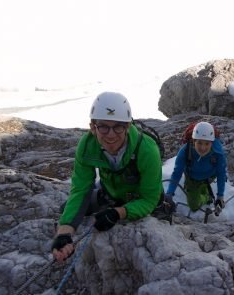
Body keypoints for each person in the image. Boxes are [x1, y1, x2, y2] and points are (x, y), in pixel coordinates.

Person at [51, 92, 162, 263]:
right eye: (103, 126)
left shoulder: (147, 149)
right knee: (67, 210)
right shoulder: (87, 146)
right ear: (92, 127)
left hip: (139, 198)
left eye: (118, 127)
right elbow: (80, 189)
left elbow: (149, 199)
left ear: (128, 126)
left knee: (159, 209)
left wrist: (119, 213)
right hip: (109, 195)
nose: (111, 135)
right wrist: (65, 232)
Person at [164, 122, 227, 213]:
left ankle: (206, 195)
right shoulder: (185, 152)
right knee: (193, 205)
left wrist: (220, 197)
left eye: (207, 144)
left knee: (195, 198)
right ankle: (203, 191)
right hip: (192, 177)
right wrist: (169, 194)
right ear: (193, 141)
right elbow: (177, 173)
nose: (203, 147)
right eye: (199, 143)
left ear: (212, 143)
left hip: (210, 176)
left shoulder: (218, 153)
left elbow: (221, 173)